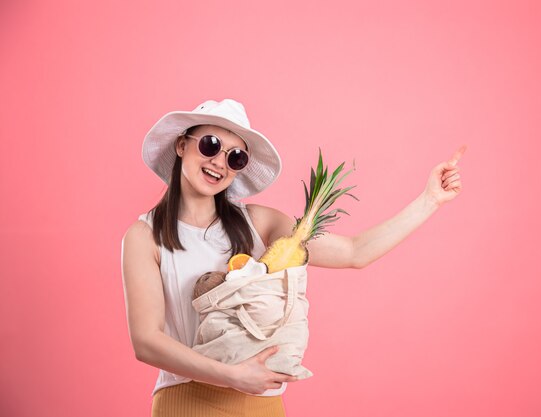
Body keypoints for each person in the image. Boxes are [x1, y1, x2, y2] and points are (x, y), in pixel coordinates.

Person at [121, 98, 466, 417]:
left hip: (262, 404)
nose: (219, 162)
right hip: (187, 401)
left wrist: (430, 200)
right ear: (182, 145)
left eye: (235, 157)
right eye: (210, 145)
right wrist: (233, 376)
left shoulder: (259, 224)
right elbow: (147, 342)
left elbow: (353, 252)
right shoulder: (144, 237)